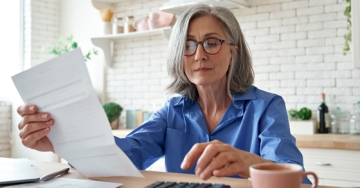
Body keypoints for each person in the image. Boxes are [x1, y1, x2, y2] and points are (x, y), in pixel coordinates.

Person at [17, 4, 311, 184]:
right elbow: (124, 156)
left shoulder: (266, 107)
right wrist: (60, 140)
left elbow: (299, 181)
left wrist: (248, 163)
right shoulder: (173, 111)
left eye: (211, 43)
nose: (198, 55)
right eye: (188, 44)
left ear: (233, 53)